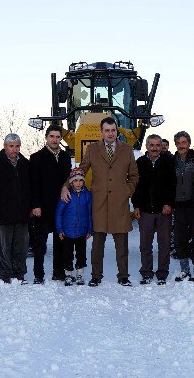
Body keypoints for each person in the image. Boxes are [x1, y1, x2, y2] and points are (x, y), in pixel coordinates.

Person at [63, 117, 139, 287]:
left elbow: (134, 175)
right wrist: (65, 186)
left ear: (116, 131)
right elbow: (80, 170)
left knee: (122, 245)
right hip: (99, 203)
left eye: (113, 130)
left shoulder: (127, 149)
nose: (110, 133)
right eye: (107, 130)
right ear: (101, 132)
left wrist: (127, 190)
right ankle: (96, 275)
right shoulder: (92, 149)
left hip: (119, 203)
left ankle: (123, 276)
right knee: (97, 245)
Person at [0, 133, 32, 284]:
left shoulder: (25, 163)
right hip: (2, 212)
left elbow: (30, 188)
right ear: (5, 146)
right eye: (11, 146)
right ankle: (5, 273)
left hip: (21, 212)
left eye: (17, 146)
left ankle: (19, 273)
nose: (14, 149)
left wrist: (30, 206)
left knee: (21, 246)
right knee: (4, 245)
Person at [29, 125, 72, 284]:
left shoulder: (66, 157)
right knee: (40, 242)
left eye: (57, 137)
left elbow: (68, 179)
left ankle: (58, 272)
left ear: (61, 139)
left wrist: (66, 187)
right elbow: (33, 184)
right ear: (46, 137)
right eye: (52, 136)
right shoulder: (36, 158)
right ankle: (38, 275)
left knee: (60, 240)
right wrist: (35, 205)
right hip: (43, 206)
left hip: (61, 206)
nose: (54, 140)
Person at [132, 134, 176, 285]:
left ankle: (162, 273)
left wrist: (169, 203)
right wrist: (136, 205)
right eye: (152, 145)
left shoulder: (168, 162)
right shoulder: (140, 163)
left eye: (158, 145)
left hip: (163, 210)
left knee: (164, 244)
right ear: (147, 146)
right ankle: (146, 272)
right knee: (145, 244)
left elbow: (173, 185)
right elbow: (136, 187)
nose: (155, 148)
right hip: (145, 210)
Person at [171, 131, 194, 282]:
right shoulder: (172, 160)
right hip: (178, 206)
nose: (181, 145)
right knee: (180, 239)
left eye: (184, 142)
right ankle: (185, 270)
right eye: (178, 143)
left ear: (189, 143)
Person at [55, 167, 92, 286]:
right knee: (68, 254)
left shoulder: (87, 195)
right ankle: (68, 275)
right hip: (68, 232)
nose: (78, 183)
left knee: (81, 254)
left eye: (81, 180)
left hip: (82, 231)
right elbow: (59, 213)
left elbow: (90, 213)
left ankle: (80, 275)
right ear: (71, 182)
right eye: (75, 181)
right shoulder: (67, 195)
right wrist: (60, 229)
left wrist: (90, 229)